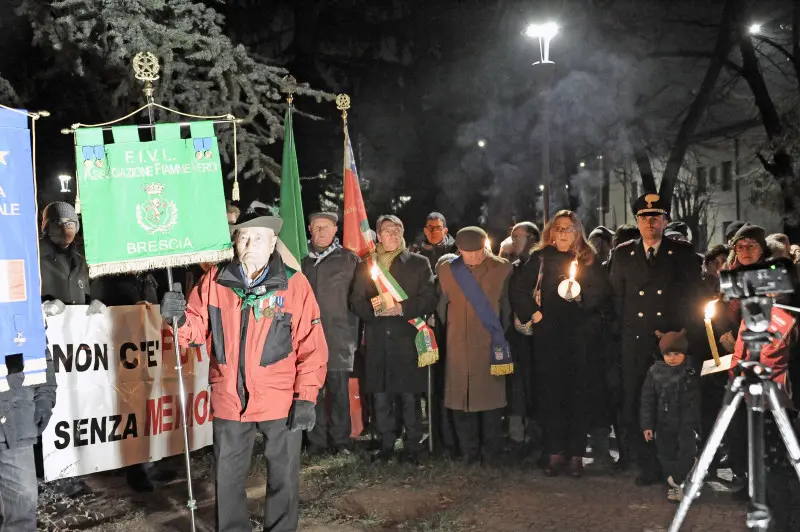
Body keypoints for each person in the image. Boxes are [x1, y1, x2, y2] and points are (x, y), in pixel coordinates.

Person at [160, 208, 328, 532]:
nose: (250, 243)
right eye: (244, 236)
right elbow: (194, 329)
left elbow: (312, 344)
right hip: (229, 398)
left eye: (259, 237)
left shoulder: (294, 285)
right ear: (235, 241)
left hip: (280, 399)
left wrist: (306, 397)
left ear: (273, 242)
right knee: (227, 475)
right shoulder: (215, 280)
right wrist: (175, 319)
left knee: (284, 475)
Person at [609, 193, 702, 485]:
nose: (650, 223)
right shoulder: (624, 253)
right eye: (644, 218)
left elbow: (693, 296)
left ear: (665, 221)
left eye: (656, 217)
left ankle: (674, 464)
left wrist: (681, 332)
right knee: (637, 400)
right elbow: (616, 299)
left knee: (672, 403)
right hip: (634, 341)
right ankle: (646, 464)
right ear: (636, 221)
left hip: (670, 341)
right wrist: (619, 335)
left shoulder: (683, 253)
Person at [511, 210, 612, 477]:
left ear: (578, 231)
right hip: (548, 336)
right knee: (550, 394)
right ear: (551, 232)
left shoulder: (589, 260)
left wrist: (581, 299)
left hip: (580, 338)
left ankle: (576, 454)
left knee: (579, 395)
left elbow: (601, 293)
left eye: (568, 228)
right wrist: (535, 314)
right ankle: (554, 452)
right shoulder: (540, 258)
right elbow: (519, 289)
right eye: (558, 228)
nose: (563, 233)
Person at [350, 215, 436, 463]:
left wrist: (402, 308)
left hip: (407, 338)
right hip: (378, 340)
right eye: (387, 230)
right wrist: (374, 310)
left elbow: (429, 298)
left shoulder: (418, 263)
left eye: (398, 230)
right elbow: (356, 300)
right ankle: (386, 444)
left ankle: (413, 445)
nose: (393, 234)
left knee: (409, 396)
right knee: (381, 395)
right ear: (378, 235)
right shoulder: (366, 265)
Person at [437, 227, 512, 465]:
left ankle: (491, 453)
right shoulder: (447, 271)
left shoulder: (503, 268)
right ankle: (468, 451)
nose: (475, 257)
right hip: (458, 343)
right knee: (461, 399)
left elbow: (507, 307)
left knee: (491, 401)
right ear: (459, 250)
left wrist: (501, 334)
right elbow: (441, 307)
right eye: (468, 253)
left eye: (479, 251)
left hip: (490, 344)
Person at [301, 212, 360, 455]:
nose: (321, 231)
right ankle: (316, 443)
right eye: (317, 227)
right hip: (307, 338)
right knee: (311, 393)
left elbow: (359, 300)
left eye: (326, 227)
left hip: (338, 337)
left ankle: (341, 442)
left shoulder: (350, 260)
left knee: (338, 392)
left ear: (336, 229)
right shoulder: (299, 260)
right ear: (309, 229)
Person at [0, 344, 56, 529]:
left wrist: (45, 397)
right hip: (16, 422)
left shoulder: (26, 313)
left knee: (22, 512)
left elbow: (39, 350)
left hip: (17, 424)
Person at [640, 329, 699, 502]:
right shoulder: (655, 372)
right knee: (666, 455)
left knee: (686, 453)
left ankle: (681, 480)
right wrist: (647, 425)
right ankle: (675, 485)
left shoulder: (690, 371)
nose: (672, 358)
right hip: (663, 422)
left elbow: (697, 397)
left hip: (686, 422)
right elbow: (647, 399)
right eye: (668, 354)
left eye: (677, 354)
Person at [504, 221, 541, 444]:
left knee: (535, 387)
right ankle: (518, 437)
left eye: (518, 236)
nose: (514, 241)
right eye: (513, 236)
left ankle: (536, 438)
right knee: (518, 388)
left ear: (533, 239)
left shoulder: (542, 265)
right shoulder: (516, 267)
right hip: (518, 340)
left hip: (538, 338)